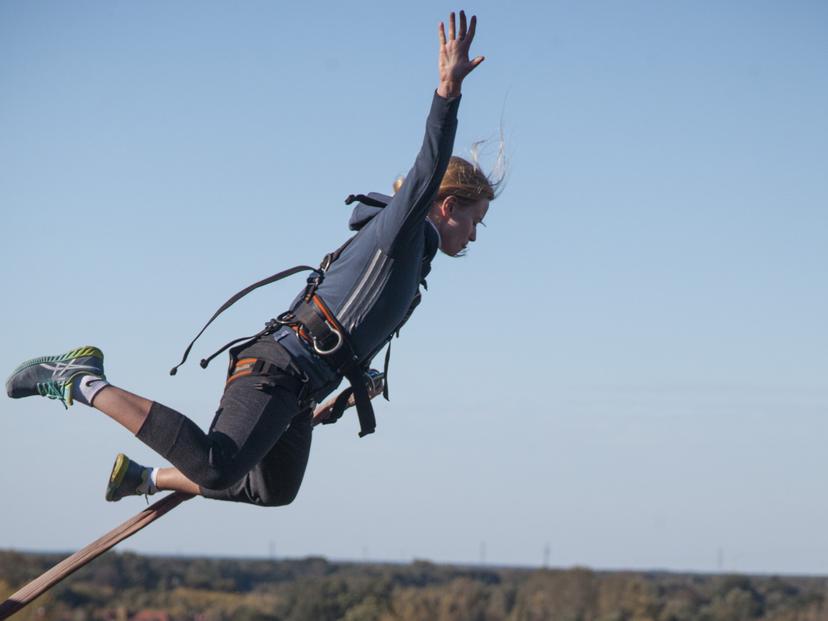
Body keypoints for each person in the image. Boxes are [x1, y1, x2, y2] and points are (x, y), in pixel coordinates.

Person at [5, 10, 499, 506]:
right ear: (446, 205)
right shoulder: (403, 232)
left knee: (272, 488)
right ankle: (81, 380)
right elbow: (429, 163)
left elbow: (357, 317)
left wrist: (355, 375)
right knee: (218, 467)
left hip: (301, 388)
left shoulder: (412, 267)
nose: (475, 236)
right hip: (277, 369)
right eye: (475, 220)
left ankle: (146, 478)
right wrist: (447, 94)